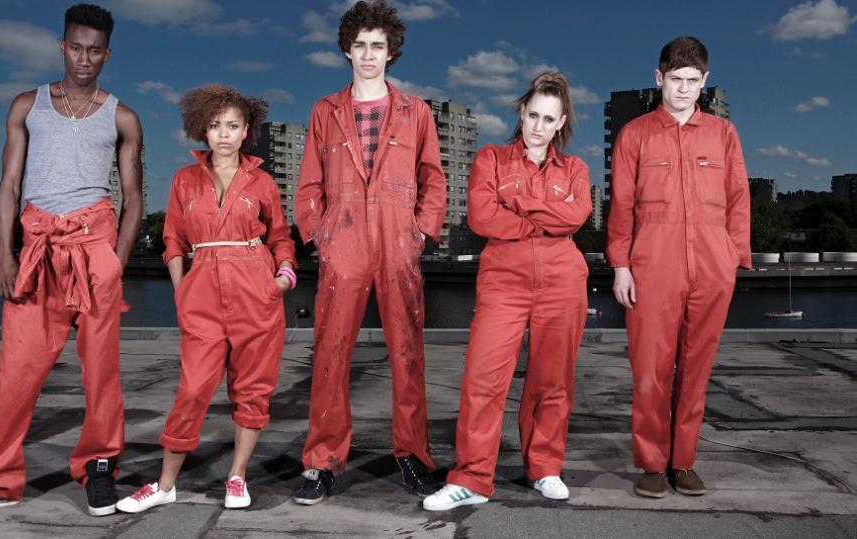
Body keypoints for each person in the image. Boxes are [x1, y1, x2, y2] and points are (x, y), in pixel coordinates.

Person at [0, 3, 143, 519]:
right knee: (17, 371)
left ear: (107, 53)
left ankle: (98, 467)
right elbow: (8, 185)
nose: (84, 57)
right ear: (62, 46)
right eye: (76, 46)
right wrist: (5, 254)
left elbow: (134, 197)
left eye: (95, 49)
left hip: (95, 248)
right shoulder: (28, 104)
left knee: (101, 374)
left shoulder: (123, 116)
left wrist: (115, 262)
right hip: (38, 248)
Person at [292, 0, 446, 505]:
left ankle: (413, 455)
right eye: (359, 45)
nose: (368, 55)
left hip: (397, 240)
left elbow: (433, 179)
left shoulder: (415, 111)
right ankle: (322, 460)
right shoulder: (325, 111)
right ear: (346, 49)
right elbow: (309, 182)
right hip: (346, 241)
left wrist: (419, 232)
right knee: (331, 352)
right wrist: (321, 235)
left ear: (392, 52)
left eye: (378, 46)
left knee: (408, 353)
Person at [115, 85, 295, 513]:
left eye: (232, 125)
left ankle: (237, 477)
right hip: (203, 295)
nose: (224, 134)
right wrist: (183, 291)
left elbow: (281, 237)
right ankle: (164, 484)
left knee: (252, 391)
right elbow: (173, 241)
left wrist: (282, 279)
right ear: (202, 130)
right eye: (215, 126)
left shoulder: (263, 182)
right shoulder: (184, 180)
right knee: (193, 390)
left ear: (246, 129)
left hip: (257, 291)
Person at [423, 72, 591, 511]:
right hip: (504, 281)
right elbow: (481, 217)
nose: (538, 125)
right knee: (482, 378)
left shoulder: (575, 169)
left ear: (561, 122)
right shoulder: (491, 159)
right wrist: (544, 220)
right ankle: (473, 478)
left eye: (548, 118)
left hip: (561, 281)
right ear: (521, 113)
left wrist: (518, 207)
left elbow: (577, 217)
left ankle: (545, 468)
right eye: (532, 114)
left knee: (551, 382)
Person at [606, 36, 751, 498]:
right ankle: (652, 463)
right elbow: (622, 205)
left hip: (712, 266)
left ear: (705, 81)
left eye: (693, 81)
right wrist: (621, 265)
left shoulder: (724, 135)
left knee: (695, 369)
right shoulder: (635, 135)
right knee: (650, 369)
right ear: (658, 78)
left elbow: (738, 200)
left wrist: (732, 257)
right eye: (675, 80)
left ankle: (683, 461)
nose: (684, 89)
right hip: (653, 265)